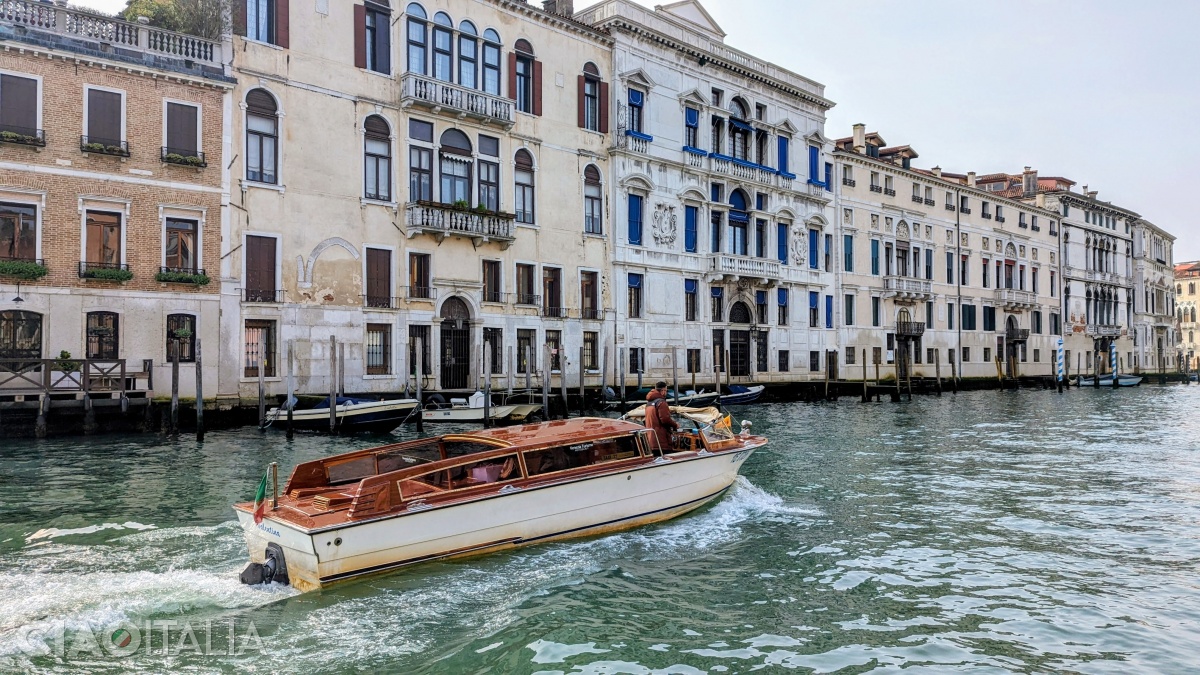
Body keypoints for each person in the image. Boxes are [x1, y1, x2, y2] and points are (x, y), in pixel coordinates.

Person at [644, 381, 679, 455]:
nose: (666, 393)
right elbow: (665, 419)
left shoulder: (649, 403)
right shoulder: (661, 403)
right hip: (661, 440)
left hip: (651, 439)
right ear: (663, 391)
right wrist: (675, 425)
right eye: (666, 390)